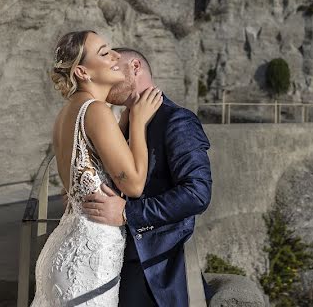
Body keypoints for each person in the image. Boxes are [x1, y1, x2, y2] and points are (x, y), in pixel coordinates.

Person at [30, 30, 164, 307]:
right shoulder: (95, 111)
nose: (116, 56)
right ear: (82, 71)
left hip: (65, 249)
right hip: (88, 258)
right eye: (105, 53)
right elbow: (134, 184)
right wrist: (137, 122)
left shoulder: (68, 112)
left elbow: (82, 177)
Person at [82, 48, 213, 306]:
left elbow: (197, 193)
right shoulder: (120, 125)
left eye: (113, 69)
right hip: (107, 259)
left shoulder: (177, 120)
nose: (107, 79)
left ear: (135, 67)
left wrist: (128, 213)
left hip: (151, 268)